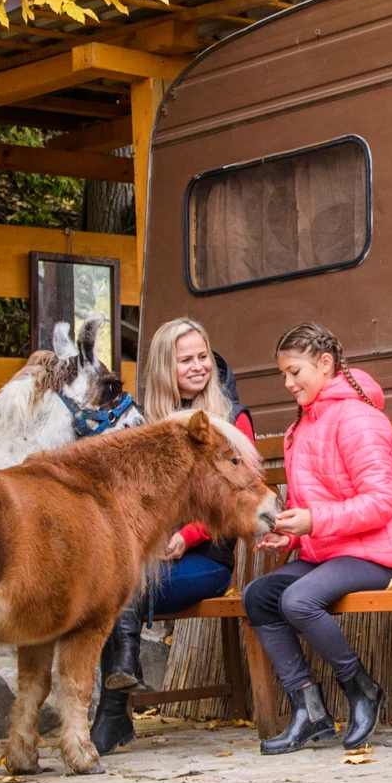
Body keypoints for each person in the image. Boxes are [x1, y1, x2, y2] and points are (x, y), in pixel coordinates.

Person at [90, 317, 256, 754]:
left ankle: (113, 711)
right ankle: (118, 697)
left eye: (203, 356)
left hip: (207, 559)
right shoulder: (147, 425)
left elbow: (244, 495)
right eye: (186, 360)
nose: (199, 366)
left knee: (120, 589)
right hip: (149, 554)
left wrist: (187, 535)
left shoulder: (232, 418)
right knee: (111, 582)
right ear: (167, 367)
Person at [244, 322, 392, 754]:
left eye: (294, 371)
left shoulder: (358, 419)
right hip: (329, 554)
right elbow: (312, 506)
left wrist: (315, 522)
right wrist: (292, 537)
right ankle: (309, 710)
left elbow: (382, 502)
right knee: (260, 595)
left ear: (325, 364)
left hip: (375, 555)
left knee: (297, 599)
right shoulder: (301, 426)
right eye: (283, 374)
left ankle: (361, 689)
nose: (287, 383)